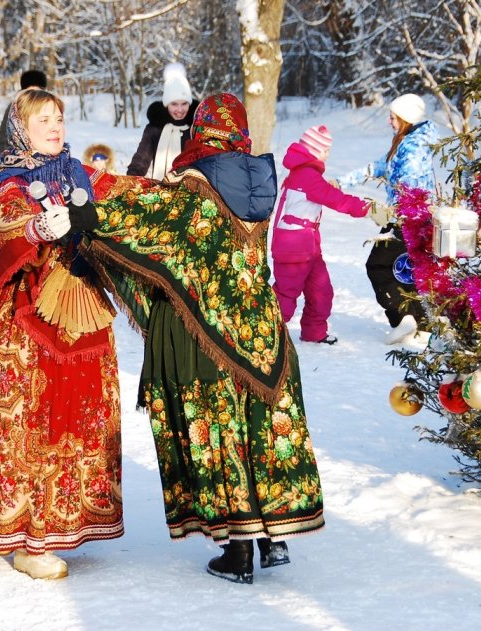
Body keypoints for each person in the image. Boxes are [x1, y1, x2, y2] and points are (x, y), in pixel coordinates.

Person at [83, 93, 325, 584]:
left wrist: (85, 192)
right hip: (264, 338)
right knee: (260, 429)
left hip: (204, 335)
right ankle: (272, 536)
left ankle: (236, 553)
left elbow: (139, 215)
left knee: (220, 432)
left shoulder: (192, 193)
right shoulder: (259, 184)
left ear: (199, 134)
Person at [0, 89, 123, 581]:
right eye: (43, 118)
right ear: (20, 127)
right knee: (31, 418)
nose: (56, 126)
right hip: (24, 322)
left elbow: (116, 206)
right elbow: (3, 224)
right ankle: (28, 537)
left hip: (77, 317)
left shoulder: (77, 176)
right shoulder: (7, 182)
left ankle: (64, 519)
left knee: (74, 418)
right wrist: (40, 226)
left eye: (60, 118)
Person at [338, 93, 438, 345]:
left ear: (405, 118)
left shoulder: (413, 146)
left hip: (408, 217)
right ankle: (422, 324)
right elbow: (381, 165)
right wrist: (341, 182)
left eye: (393, 117)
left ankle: (402, 318)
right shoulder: (406, 140)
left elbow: (410, 183)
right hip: (411, 216)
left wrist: (396, 210)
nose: (389, 121)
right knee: (407, 269)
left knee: (379, 266)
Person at [271, 125, 370, 345]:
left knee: (321, 292)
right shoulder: (306, 174)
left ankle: (314, 332)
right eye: (326, 150)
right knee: (286, 295)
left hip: (308, 245)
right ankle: (263, 333)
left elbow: (318, 192)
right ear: (315, 151)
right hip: (293, 246)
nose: (328, 155)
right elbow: (334, 198)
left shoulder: (306, 173)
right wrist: (364, 208)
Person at [126, 62, 199, 179]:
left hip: (192, 189)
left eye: (184, 103)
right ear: (166, 104)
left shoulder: (196, 128)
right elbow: (141, 159)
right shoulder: (155, 128)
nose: (180, 109)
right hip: (162, 189)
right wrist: (131, 178)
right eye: (174, 104)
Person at [0, 69, 47, 152]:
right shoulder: (15, 106)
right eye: (31, 91)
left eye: (37, 91)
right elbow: (4, 136)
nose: (34, 95)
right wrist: (8, 158)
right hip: (19, 158)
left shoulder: (48, 106)